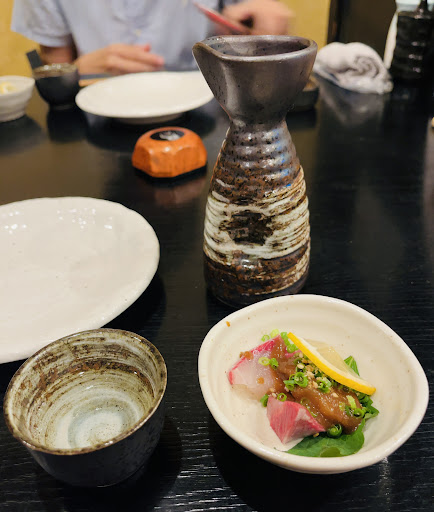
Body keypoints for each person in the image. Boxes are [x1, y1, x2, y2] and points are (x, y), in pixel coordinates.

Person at [11, 0, 293, 75]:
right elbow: (54, 66)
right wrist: (74, 73)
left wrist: (263, 35)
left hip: (207, 114)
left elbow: (254, 30)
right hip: (95, 122)